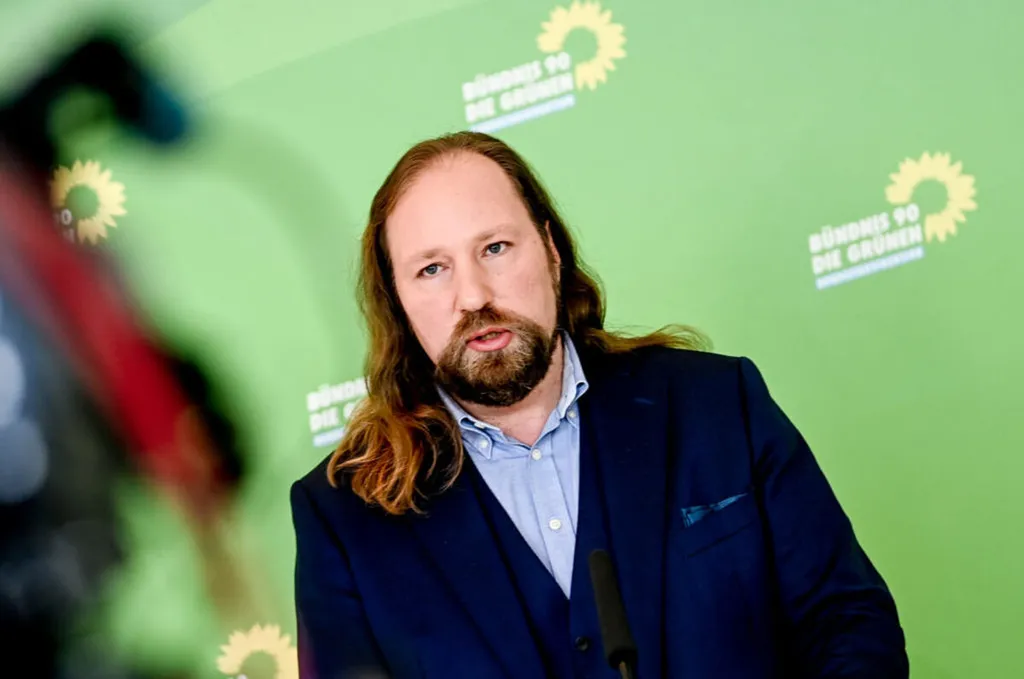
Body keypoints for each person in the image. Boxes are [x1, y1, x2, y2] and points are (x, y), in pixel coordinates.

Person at [290, 131, 908, 679]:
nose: (472, 295)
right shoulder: (342, 516)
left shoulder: (717, 404)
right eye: (432, 269)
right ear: (397, 301)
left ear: (551, 252)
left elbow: (848, 623)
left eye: (495, 248)